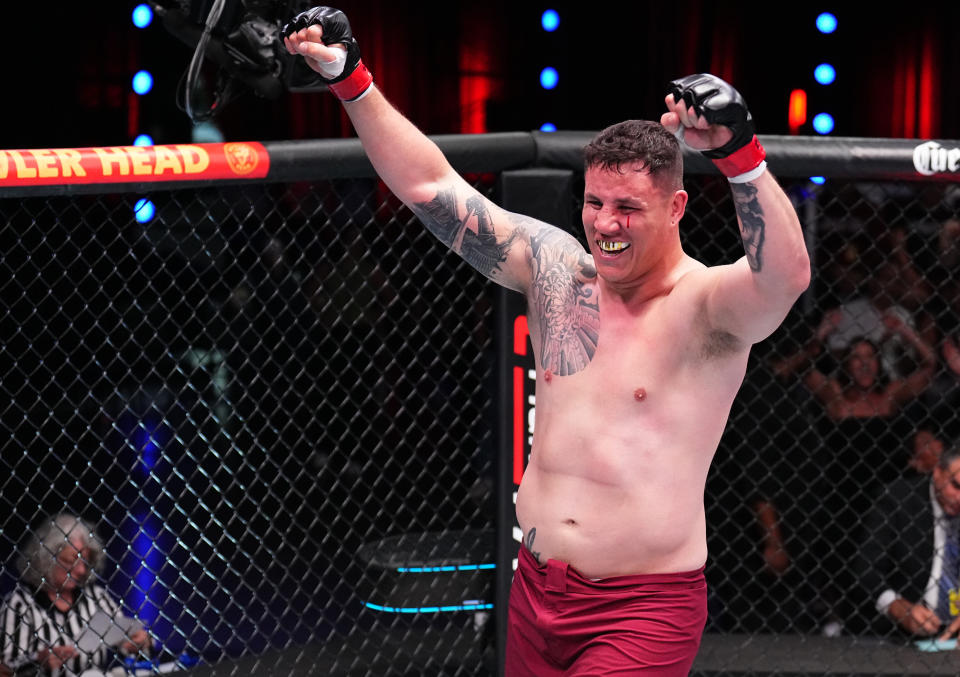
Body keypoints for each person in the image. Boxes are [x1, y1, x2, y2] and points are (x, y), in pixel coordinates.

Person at [282, 8, 810, 674]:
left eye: (628, 209)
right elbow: (430, 187)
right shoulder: (558, 270)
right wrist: (352, 81)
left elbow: (786, 275)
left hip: (642, 608)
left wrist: (740, 156)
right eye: (595, 204)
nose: (605, 224)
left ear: (675, 209)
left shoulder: (705, 308)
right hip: (534, 590)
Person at [0, 513, 153, 675]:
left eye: (84, 562)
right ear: (46, 559)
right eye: (70, 561)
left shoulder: (95, 597)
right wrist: (38, 660)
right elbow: (5, 668)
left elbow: (126, 639)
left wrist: (140, 643)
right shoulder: (19, 604)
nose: (80, 570)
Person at [856, 445, 960, 639]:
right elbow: (866, 569)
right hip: (900, 633)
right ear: (938, 472)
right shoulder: (897, 500)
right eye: (956, 486)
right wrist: (898, 607)